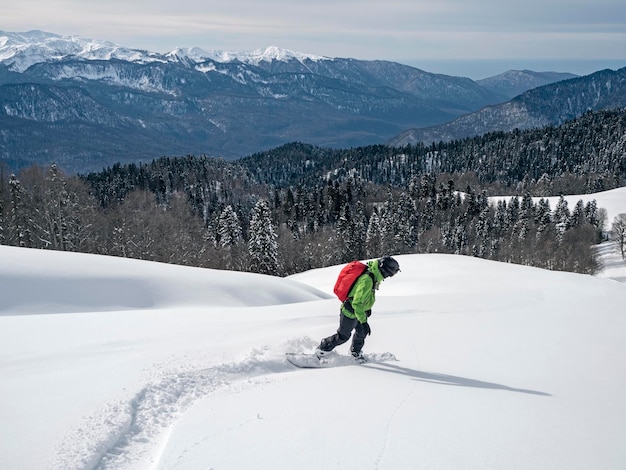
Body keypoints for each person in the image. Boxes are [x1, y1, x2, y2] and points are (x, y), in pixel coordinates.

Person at [317, 256, 400, 360]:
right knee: (343, 336)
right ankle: (322, 349)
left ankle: (355, 353)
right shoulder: (367, 280)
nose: (389, 277)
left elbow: (365, 297)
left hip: (359, 312)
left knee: (362, 332)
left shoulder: (374, 277)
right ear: (385, 271)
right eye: (391, 274)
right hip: (350, 313)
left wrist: (367, 308)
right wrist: (364, 322)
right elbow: (356, 303)